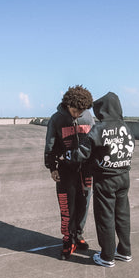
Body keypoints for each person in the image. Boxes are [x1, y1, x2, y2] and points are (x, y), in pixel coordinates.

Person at [65, 92, 135, 267]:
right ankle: (124, 251)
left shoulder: (99, 129)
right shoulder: (125, 127)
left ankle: (107, 256)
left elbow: (82, 153)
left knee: (105, 217)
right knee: (123, 215)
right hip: (124, 176)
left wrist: (66, 156)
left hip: (105, 179)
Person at [44, 85, 95, 260]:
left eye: (80, 112)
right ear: (67, 106)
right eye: (74, 111)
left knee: (84, 205)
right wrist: (52, 167)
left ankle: (78, 235)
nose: (77, 115)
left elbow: (94, 142)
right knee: (67, 207)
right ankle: (67, 239)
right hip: (65, 171)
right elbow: (49, 145)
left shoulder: (88, 118)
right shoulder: (57, 119)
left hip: (85, 171)